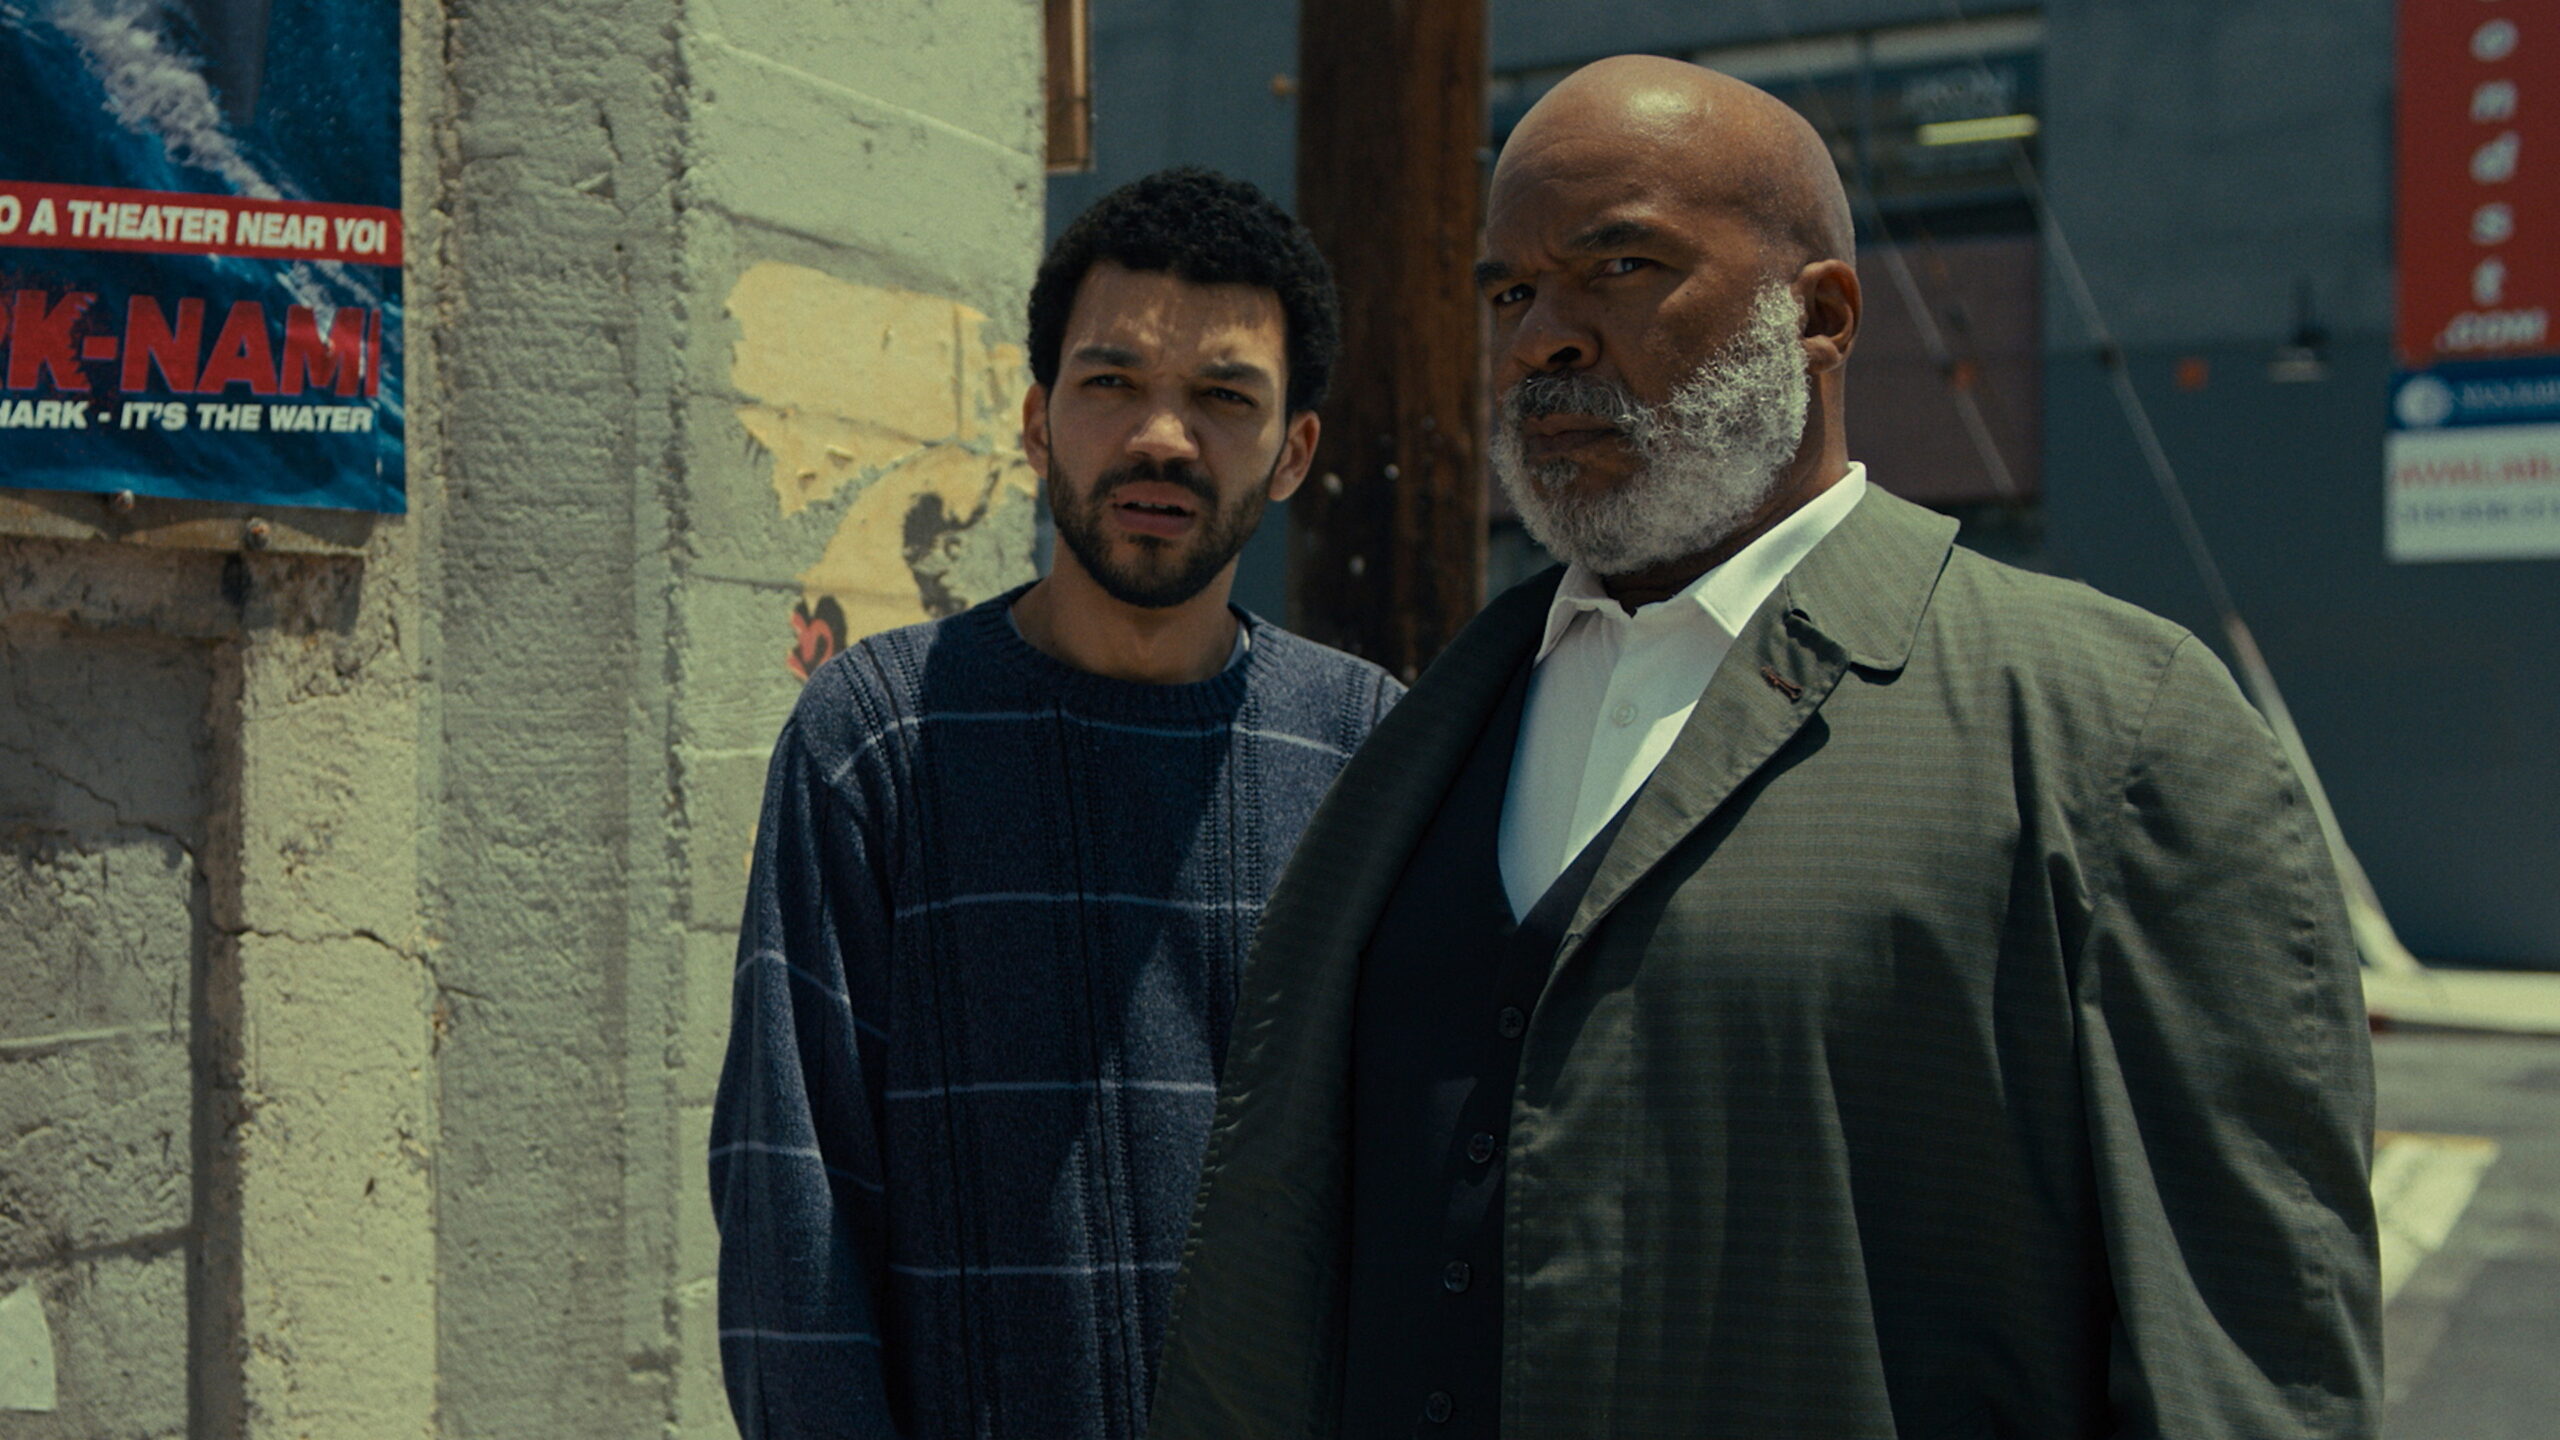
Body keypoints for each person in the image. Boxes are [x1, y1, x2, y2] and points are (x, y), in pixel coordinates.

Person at [1150, 58, 2379, 1440]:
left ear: (1822, 316)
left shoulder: (2113, 729)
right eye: (1509, 293)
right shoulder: (1436, 726)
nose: (1543, 340)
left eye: (1619, 268)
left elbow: (2245, 1363)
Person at [710, 168, 1401, 1440]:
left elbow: (1414, 1205)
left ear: (1293, 451)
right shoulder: (880, 739)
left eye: (1223, 397)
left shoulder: (1367, 750)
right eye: (1111, 382)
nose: (1161, 437)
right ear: (1036, 426)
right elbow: (791, 1217)